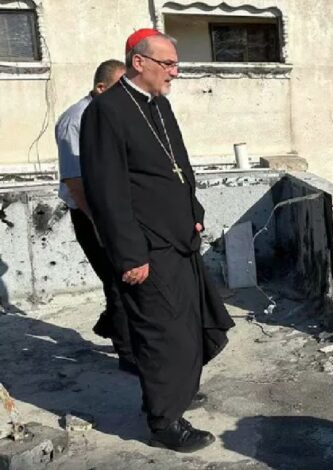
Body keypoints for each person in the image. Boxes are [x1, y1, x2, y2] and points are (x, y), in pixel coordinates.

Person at [80, 29, 235, 452]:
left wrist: (194, 213)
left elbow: (178, 166)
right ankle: (164, 422)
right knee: (163, 334)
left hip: (179, 240)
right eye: (168, 64)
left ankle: (174, 395)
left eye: (175, 64)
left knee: (187, 326)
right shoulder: (106, 111)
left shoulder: (159, 105)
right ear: (139, 62)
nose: (175, 72)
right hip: (146, 249)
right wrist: (130, 255)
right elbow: (106, 192)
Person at [55, 60, 136, 374]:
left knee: (127, 277)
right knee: (118, 281)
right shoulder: (75, 120)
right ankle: (130, 355)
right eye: (119, 88)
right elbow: (75, 181)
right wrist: (98, 221)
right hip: (91, 214)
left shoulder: (112, 115)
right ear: (100, 88)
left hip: (116, 210)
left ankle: (111, 325)